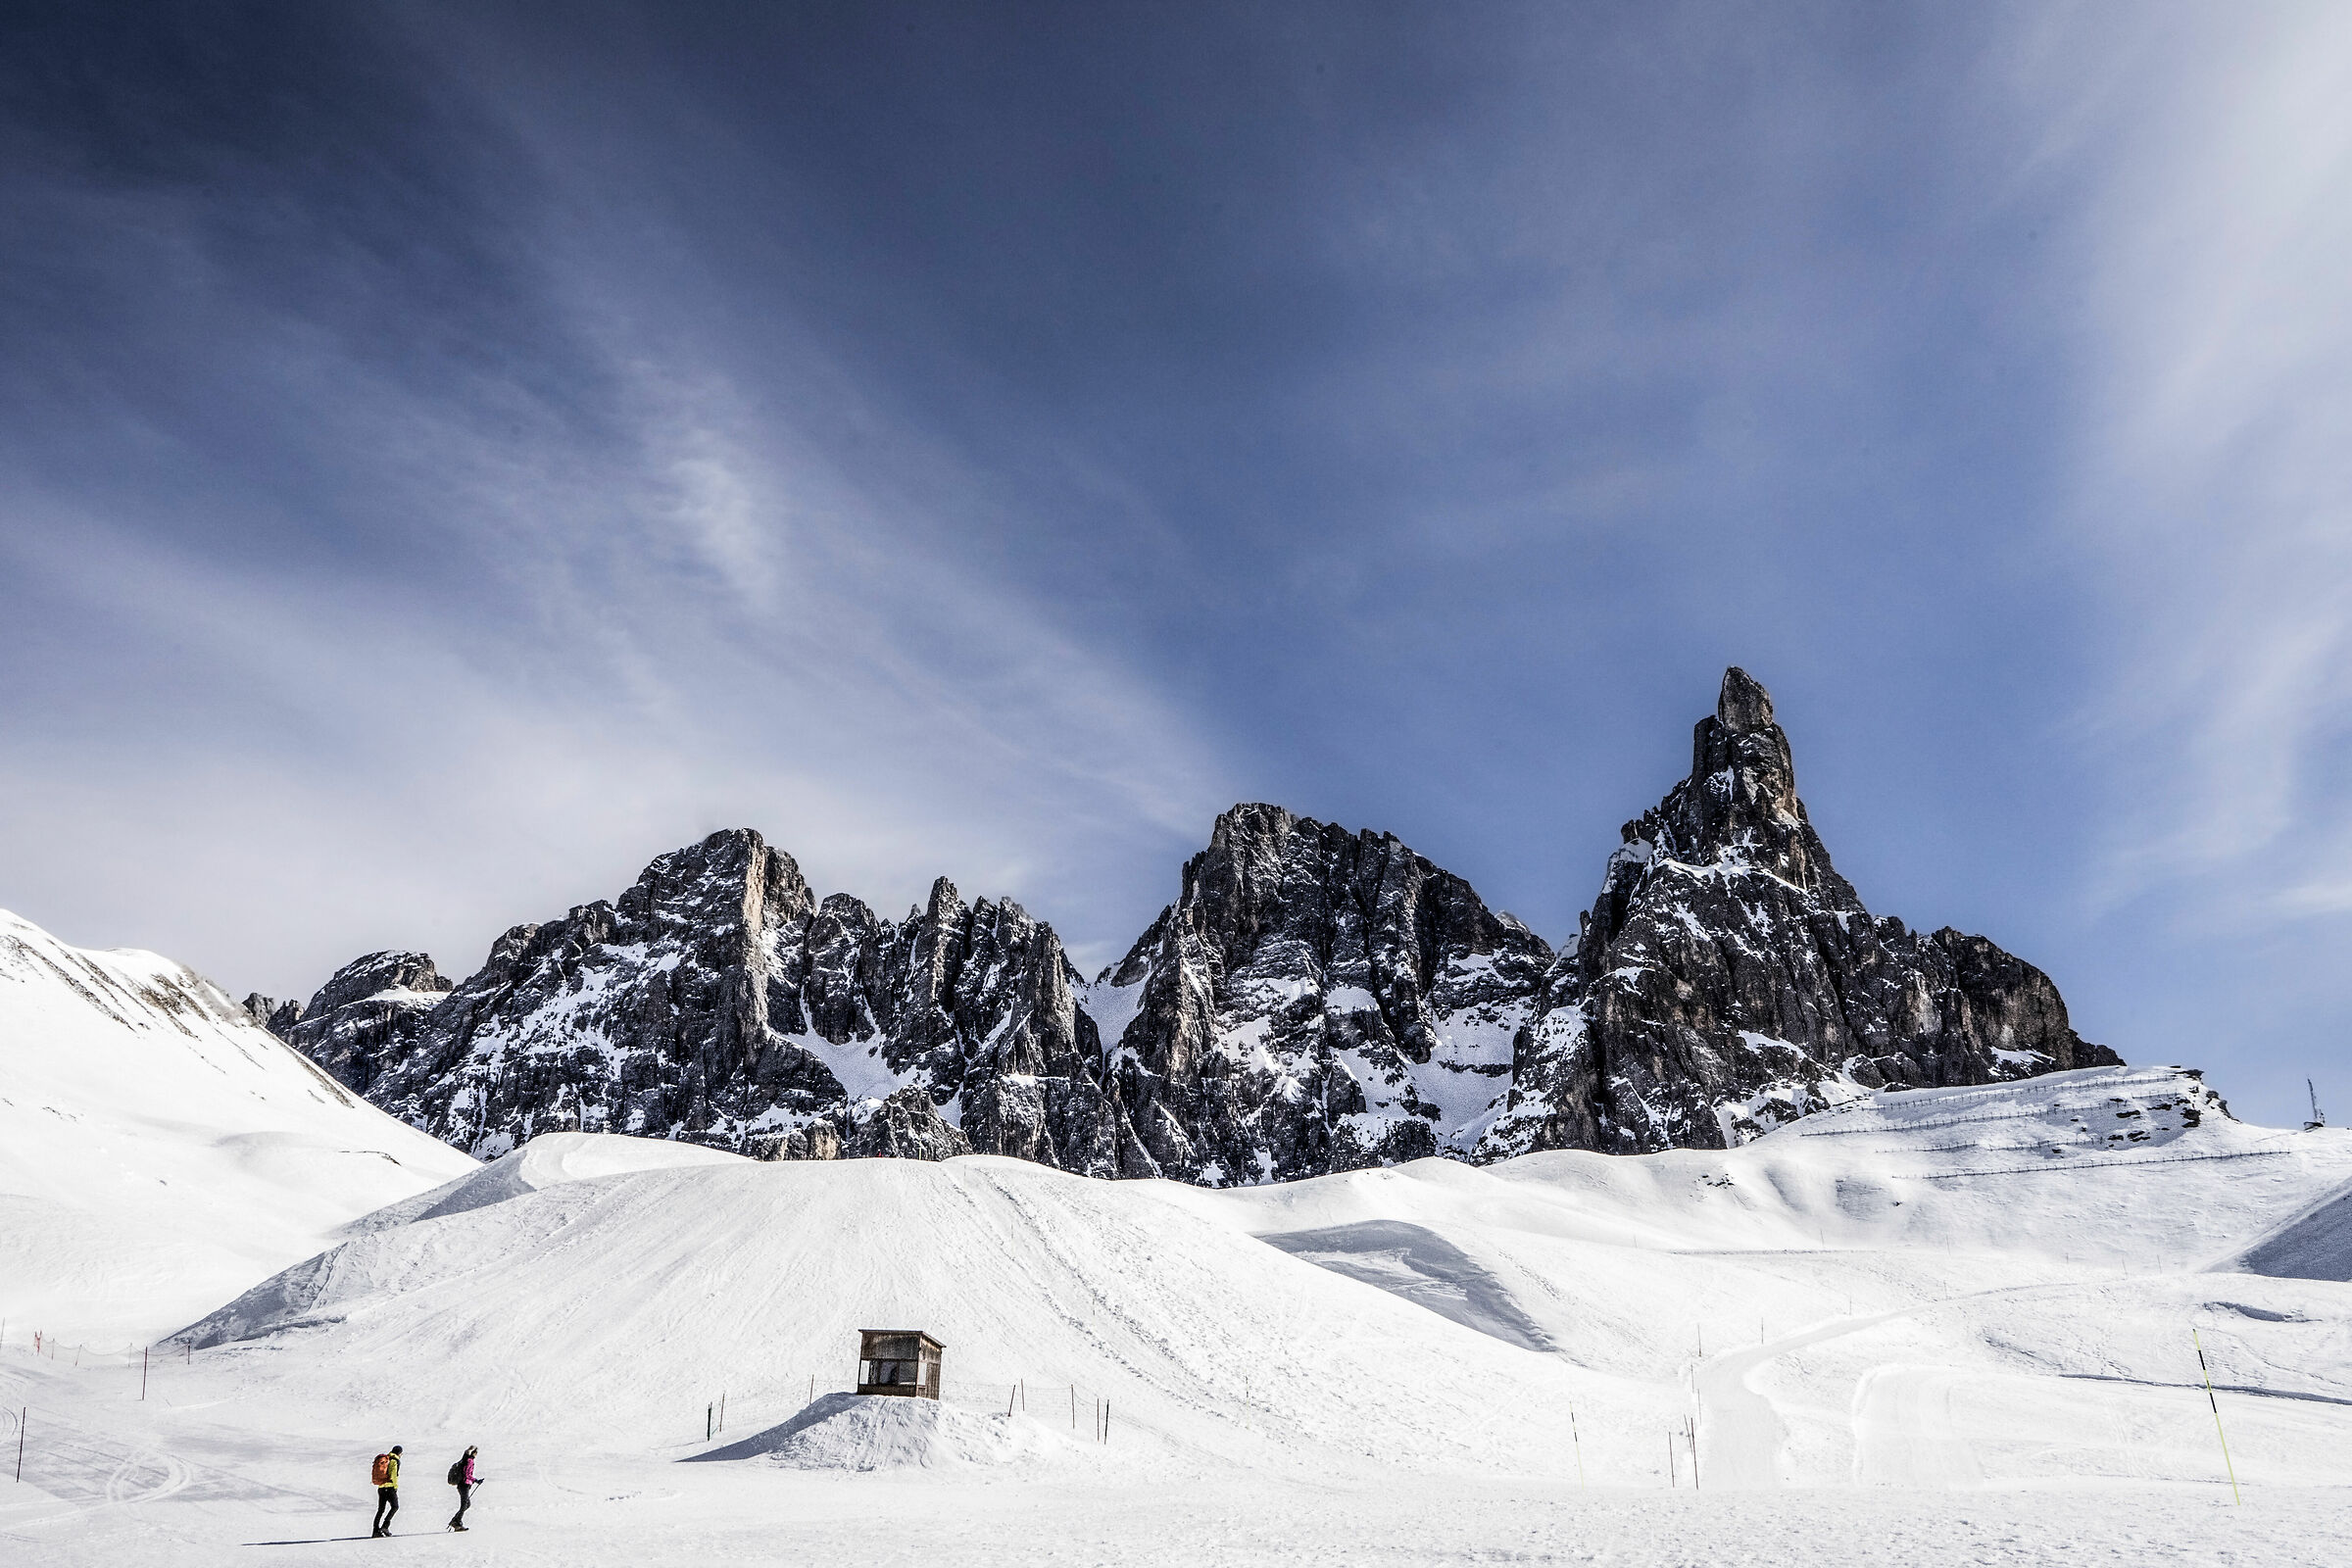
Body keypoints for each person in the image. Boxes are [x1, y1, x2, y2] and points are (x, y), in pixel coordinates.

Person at [447, 1446, 482, 1532]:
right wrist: (476, 1480)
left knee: (467, 1504)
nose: (476, 1455)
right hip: (464, 1485)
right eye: (476, 1453)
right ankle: (456, 1522)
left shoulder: (465, 1459)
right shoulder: (469, 1461)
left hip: (462, 1485)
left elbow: (466, 1453)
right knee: (464, 1504)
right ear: (474, 1453)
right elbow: (467, 1474)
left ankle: (455, 1521)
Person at [369, 1445, 403, 1537]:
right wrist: (395, 1487)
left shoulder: (386, 1459)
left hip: (381, 1488)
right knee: (395, 1506)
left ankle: (375, 1531)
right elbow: (393, 1475)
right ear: (399, 1453)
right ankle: (385, 1526)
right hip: (390, 1488)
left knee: (380, 1510)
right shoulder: (394, 1461)